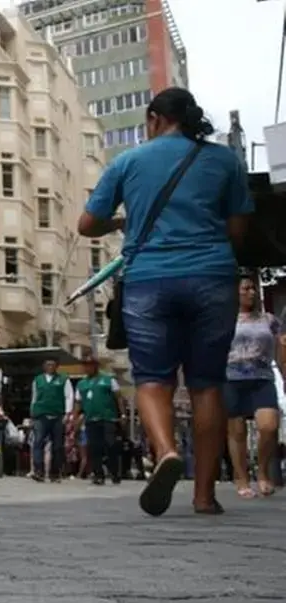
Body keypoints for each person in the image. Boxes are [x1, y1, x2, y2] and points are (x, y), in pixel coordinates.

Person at [79, 87, 253, 516]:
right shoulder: (225, 161)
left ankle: (166, 451)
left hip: (149, 281)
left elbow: (87, 224)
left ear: (153, 118)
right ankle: (204, 496)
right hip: (212, 277)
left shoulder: (128, 162)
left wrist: (123, 220)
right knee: (207, 383)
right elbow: (239, 232)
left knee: (153, 377)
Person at [223, 276, 282, 498]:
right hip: (231, 378)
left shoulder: (269, 320)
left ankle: (264, 473)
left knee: (268, 426)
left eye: (253, 289)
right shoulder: (224, 319)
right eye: (246, 289)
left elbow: (281, 347)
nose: (252, 293)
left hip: (262, 378)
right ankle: (241, 478)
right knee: (236, 431)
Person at [71, 355, 122, 485]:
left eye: (90, 365)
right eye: (86, 365)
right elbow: (78, 402)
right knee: (94, 448)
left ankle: (115, 472)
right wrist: (75, 418)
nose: (88, 368)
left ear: (96, 366)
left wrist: (123, 414)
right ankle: (98, 475)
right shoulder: (81, 384)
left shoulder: (108, 380)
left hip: (108, 418)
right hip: (90, 420)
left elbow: (119, 397)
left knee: (110, 444)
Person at [29, 359, 73, 483]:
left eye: (53, 365)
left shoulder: (64, 379)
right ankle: (39, 471)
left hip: (58, 415)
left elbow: (69, 396)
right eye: (48, 364)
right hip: (41, 415)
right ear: (43, 366)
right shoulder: (37, 380)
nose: (50, 367)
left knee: (58, 445)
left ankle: (55, 472)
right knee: (38, 442)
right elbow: (34, 397)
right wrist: (32, 413)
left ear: (57, 366)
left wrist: (67, 413)